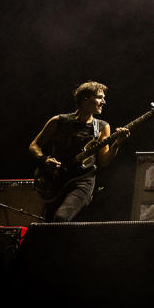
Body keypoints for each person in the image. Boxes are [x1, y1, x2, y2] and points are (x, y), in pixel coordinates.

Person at [29, 81, 130, 222]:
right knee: (49, 221)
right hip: (56, 179)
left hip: (83, 181)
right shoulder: (59, 121)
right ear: (85, 98)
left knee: (61, 218)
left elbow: (103, 161)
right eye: (100, 97)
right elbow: (34, 146)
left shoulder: (102, 127)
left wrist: (117, 144)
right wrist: (44, 160)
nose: (104, 102)